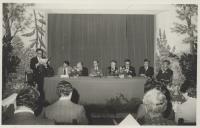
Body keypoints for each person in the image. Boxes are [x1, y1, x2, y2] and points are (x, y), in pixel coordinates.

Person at [30, 48, 47, 114]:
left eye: (41, 53)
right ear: (36, 53)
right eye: (39, 53)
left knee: (43, 90)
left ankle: (42, 105)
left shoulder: (44, 58)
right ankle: (37, 106)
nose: (40, 54)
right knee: (38, 91)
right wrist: (36, 64)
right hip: (36, 77)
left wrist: (46, 65)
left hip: (43, 77)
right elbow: (31, 67)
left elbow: (47, 68)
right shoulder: (33, 59)